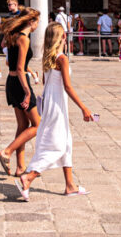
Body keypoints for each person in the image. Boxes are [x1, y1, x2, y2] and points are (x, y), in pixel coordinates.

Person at [16, 22, 94, 200]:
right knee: (57, 146)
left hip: (50, 102)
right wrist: (84, 108)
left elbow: (46, 82)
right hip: (58, 105)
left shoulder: (48, 58)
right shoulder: (62, 59)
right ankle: (29, 176)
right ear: (62, 37)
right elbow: (67, 86)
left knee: (66, 142)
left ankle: (70, 185)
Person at [0, 7, 41, 177]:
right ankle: (7, 151)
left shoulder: (13, 37)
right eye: (37, 22)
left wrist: (30, 70)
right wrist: (28, 92)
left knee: (23, 125)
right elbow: (20, 68)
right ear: (31, 21)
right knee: (38, 125)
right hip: (20, 84)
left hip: (11, 81)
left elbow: (10, 64)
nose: (37, 25)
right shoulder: (24, 39)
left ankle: (20, 167)